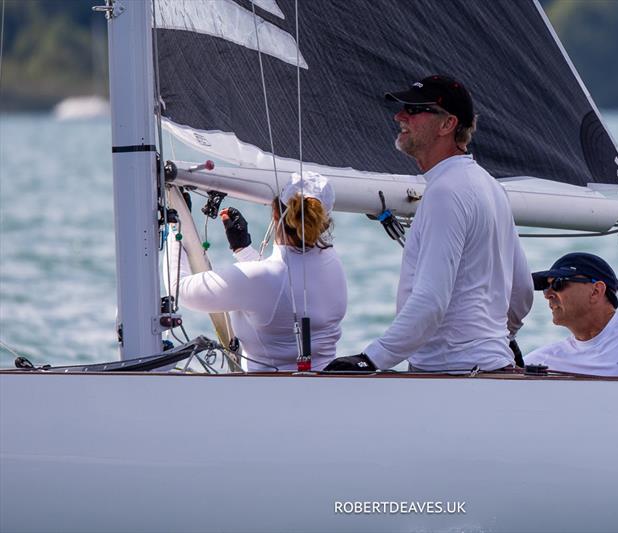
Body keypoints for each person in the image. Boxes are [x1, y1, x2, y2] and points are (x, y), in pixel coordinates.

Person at [325, 74, 533, 372]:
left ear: (448, 124)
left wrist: (372, 359)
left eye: (414, 109)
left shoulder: (445, 193)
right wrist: (500, 339)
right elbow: (522, 291)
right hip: (490, 369)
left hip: (449, 375)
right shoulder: (491, 186)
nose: (400, 116)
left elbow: (432, 301)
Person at [164, 172, 347, 371]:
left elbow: (178, 290)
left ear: (276, 214)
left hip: (267, 396)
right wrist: (244, 251)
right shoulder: (333, 263)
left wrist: (175, 229)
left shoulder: (259, 279)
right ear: (324, 219)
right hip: (324, 387)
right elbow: (278, 292)